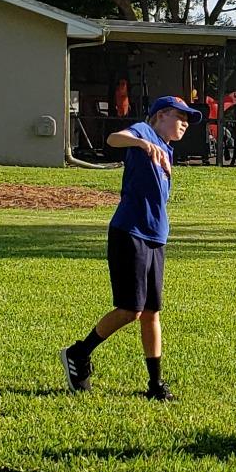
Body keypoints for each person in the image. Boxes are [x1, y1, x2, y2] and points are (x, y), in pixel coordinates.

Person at [62, 95, 200, 401]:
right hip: (129, 232)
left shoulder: (167, 149)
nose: (185, 123)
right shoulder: (144, 132)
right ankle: (79, 353)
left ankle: (155, 386)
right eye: (181, 117)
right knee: (131, 310)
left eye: (188, 119)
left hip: (156, 237)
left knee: (152, 312)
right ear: (161, 115)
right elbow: (113, 139)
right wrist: (140, 144)